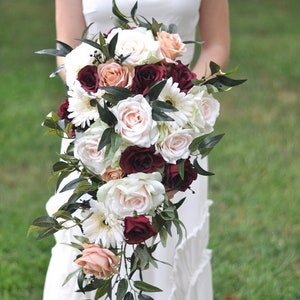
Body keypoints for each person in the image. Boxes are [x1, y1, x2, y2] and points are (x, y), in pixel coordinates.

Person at [44, 0, 230, 299]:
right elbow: (66, 50)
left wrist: (179, 101)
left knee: (165, 246)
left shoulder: (178, 119)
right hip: (97, 130)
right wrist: (108, 100)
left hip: (175, 131)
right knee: (94, 240)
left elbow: (216, 45)